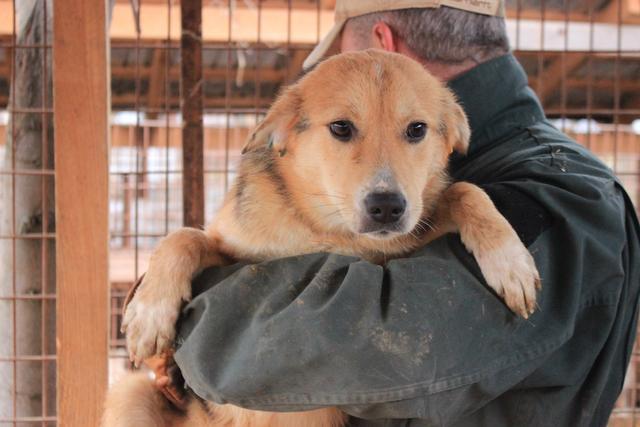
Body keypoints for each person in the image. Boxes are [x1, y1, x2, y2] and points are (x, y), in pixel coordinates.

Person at [173, 1, 640, 425]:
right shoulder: (483, 170)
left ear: (383, 46)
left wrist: (185, 322)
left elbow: (366, 349)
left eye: (341, 53)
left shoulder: (554, 193)